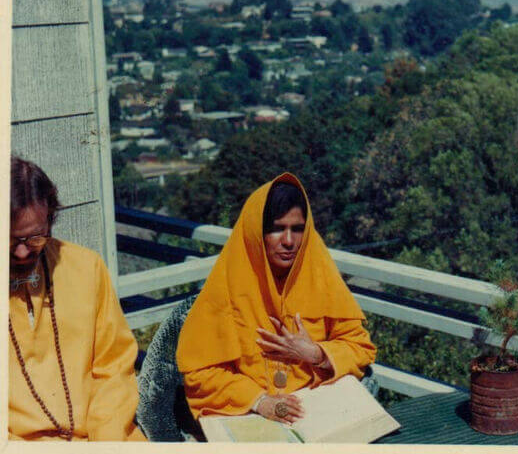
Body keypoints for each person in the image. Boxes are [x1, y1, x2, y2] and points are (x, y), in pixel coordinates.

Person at [176, 173, 376, 424]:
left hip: (317, 410)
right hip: (249, 415)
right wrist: (259, 401)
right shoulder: (225, 288)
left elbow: (360, 347)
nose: (289, 241)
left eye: (298, 229)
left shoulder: (320, 275)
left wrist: (316, 353)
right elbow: (198, 373)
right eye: (277, 229)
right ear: (256, 233)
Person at [8, 156, 146, 441]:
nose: (22, 253)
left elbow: (115, 368)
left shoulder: (86, 267)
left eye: (35, 238)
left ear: (50, 218)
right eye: (9, 240)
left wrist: (105, 441)